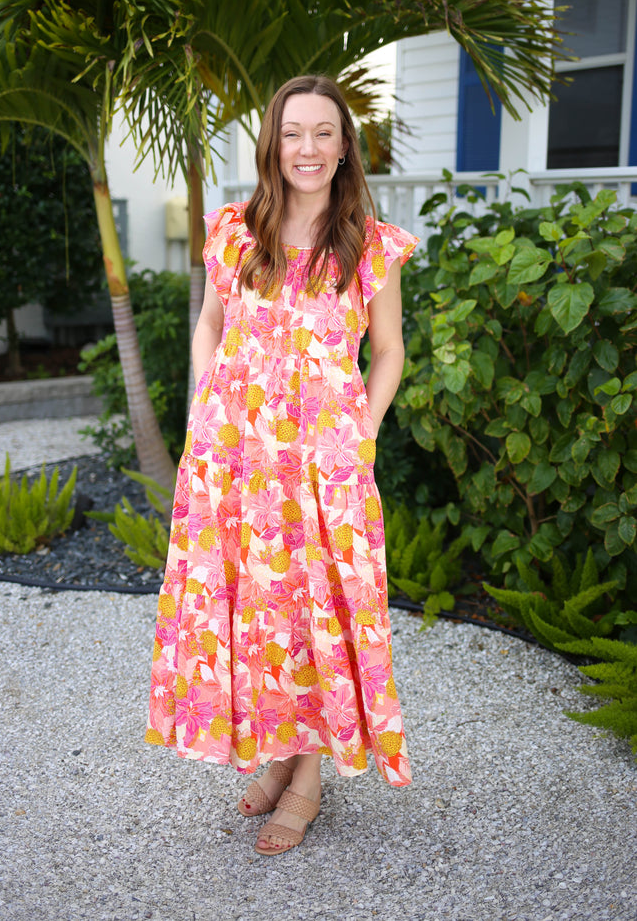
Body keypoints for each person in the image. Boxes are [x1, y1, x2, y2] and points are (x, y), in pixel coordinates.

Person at [145, 74, 418, 856]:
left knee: (316, 612)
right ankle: (276, 754)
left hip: (324, 469)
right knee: (258, 612)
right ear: (273, 143)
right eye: (293, 132)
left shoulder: (372, 244)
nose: (308, 148)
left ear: (344, 146)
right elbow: (207, 324)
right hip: (233, 462)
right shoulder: (233, 231)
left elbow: (390, 352)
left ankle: (306, 780)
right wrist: (203, 410)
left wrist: (356, 435)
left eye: (324, 133)